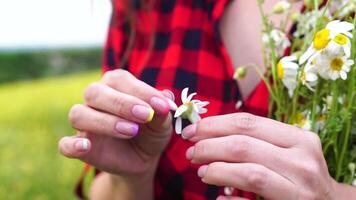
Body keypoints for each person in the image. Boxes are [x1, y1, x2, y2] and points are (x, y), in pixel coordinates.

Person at [58, 0, 356, 199]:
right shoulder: (145, 8)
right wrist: (131, 177)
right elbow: (106, 190)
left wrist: (332, 193)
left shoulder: (341, 15)